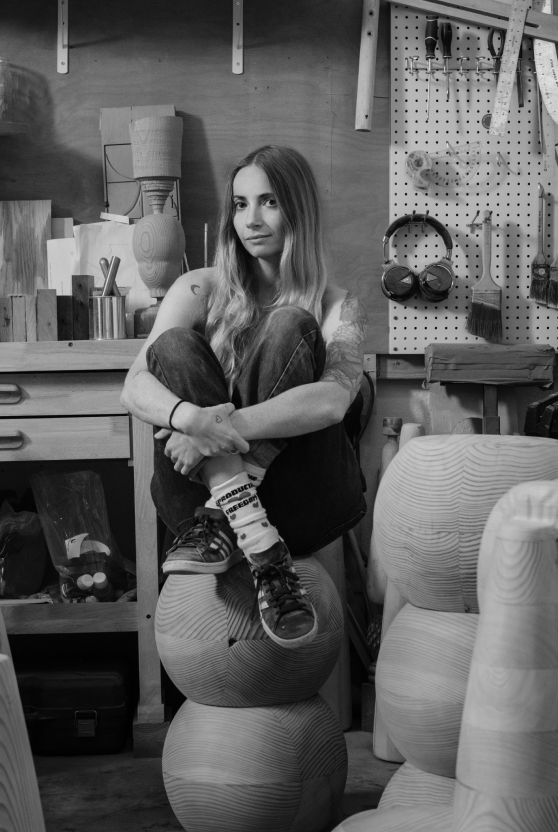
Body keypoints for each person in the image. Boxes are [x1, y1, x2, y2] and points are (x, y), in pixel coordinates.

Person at [120, 145, 367, 649]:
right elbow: (134, 386)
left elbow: (332, 402)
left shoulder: (338, 306)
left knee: (288, 323)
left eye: (269, 202)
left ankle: (232, 511)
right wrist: (189, 418)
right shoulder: (197, 289)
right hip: (193, 507)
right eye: (239, 204)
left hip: (298, 500)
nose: (250, 219)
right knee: (173, 344)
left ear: (299, 209)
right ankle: (258, 542)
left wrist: (213, 432)